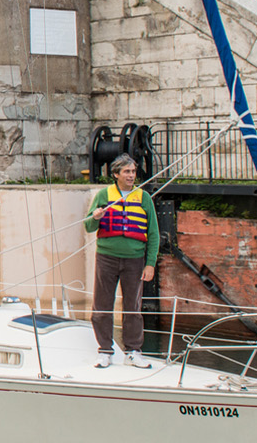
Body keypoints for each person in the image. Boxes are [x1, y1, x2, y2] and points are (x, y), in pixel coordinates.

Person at [83, 154, 160, 369]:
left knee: (132, 307)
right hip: (107, 257)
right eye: (127, 172)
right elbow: (88, 227)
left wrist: (150, 263)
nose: (131, 175)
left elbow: (153, 233)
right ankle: (105, 350)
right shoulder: (103, 195)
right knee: (102, 305)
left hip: (134, 259)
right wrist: (95, 216)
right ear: (116, 174)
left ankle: (133, 351)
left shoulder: (143, 197)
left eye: (133, 172)